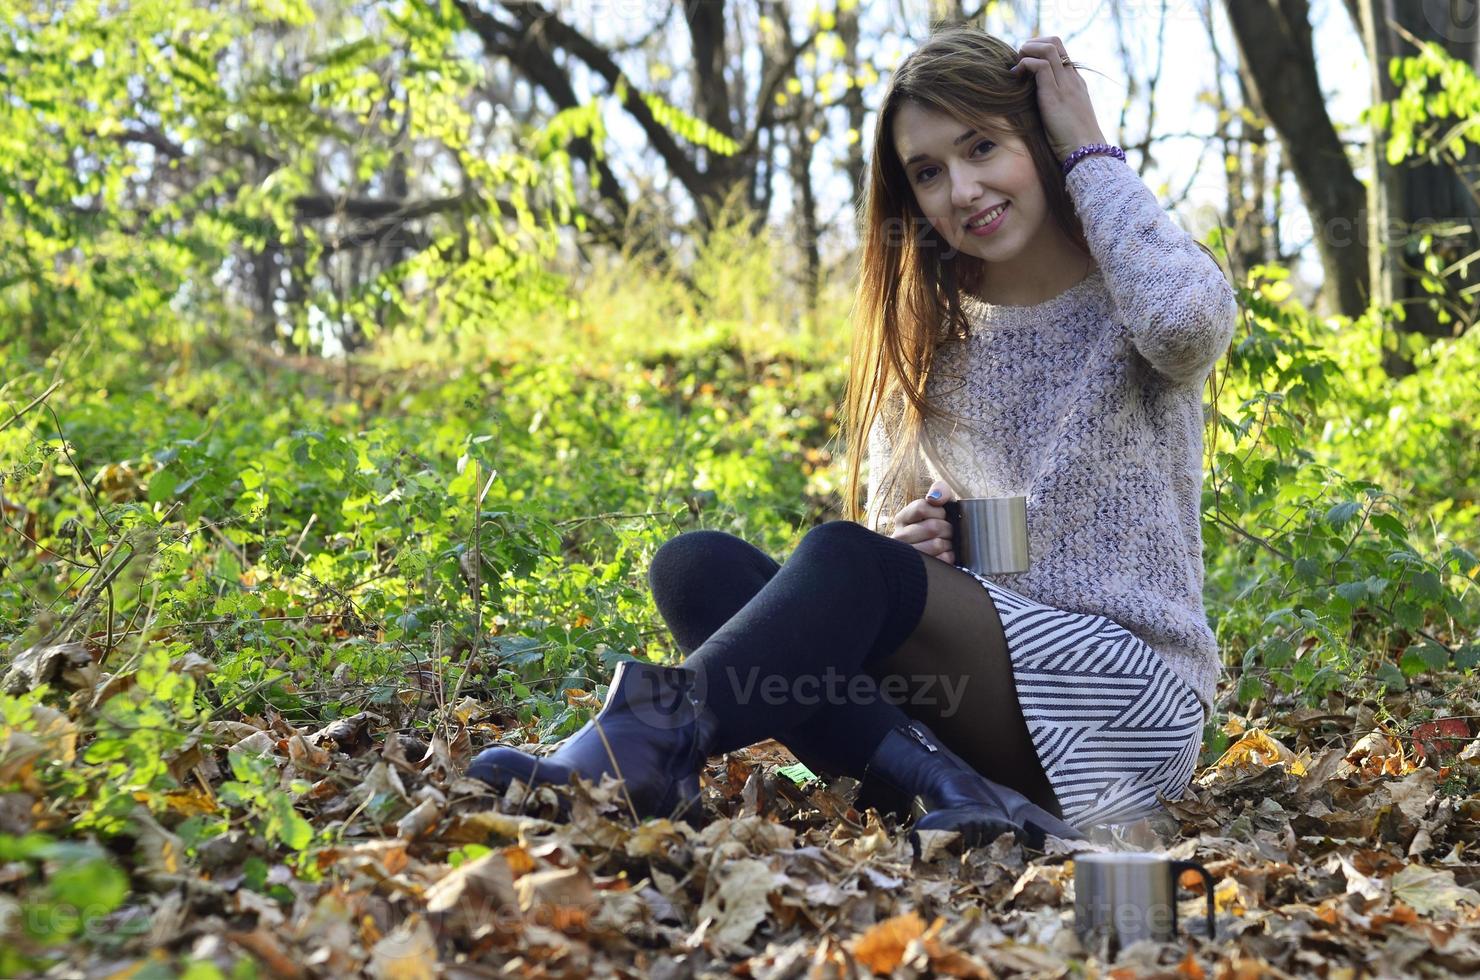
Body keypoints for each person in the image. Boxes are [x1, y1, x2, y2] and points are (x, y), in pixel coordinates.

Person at [466, 24, 1236, 852]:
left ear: (1039, 139)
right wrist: (914, 546)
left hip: (1122, 704)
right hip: (971, 706)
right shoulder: (930, 339)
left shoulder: (1136, 285)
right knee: (698, 568)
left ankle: (640, 746)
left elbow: (1187, 327)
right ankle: (957, 793)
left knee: (842, 559)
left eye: (983, 147)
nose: (964, 189)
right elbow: (887, 560)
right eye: (929, 173)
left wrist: (1087, 147)